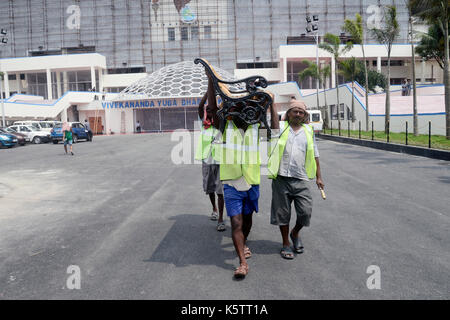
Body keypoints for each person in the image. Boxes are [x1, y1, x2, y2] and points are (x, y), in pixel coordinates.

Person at [209, 78, 278, 279]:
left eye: (244, 104)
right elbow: (213, 110)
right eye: (237, 105)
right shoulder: (224, 126)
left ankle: (243, 243)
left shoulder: (257, 127)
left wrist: (271, 103)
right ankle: (242, 263)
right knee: (236, 223)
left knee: (247, 221)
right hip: (231, 181)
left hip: (251, 180)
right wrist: (210, 81)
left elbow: (274, 130)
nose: (241, 108)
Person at [267, 99, 324, 260]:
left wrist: (319, 177)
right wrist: (272, 103)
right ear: (289, 113)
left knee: (305, 212)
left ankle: (295, 233)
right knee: (282, 214)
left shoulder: (308, 130)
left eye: (301, 112)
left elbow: (315, 154)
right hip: (281, 178)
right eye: (295, 111)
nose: (298, 114)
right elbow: (273, 121)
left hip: (301, 178)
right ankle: (285, 243)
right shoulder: (281, 128)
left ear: (304, 115)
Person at [195, 80, 225, 232]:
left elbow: (220, 107)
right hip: (207, 160)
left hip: (220, 160)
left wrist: (218, 93)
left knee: (220, 190)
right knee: (210, 188)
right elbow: (200, 106)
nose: (210, 112)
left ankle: (220, 218)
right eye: (209, 110)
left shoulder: (221, 125)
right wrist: (209, 91)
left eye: (213, 111)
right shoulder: (204, 124)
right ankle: (214, 208)